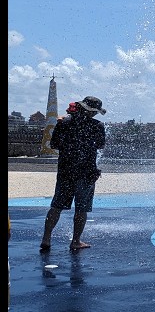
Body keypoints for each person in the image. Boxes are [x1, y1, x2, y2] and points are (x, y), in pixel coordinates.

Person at [40, 96, 107, 254]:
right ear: (92, 112)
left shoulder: (63, 122)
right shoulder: (97, 126)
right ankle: (76, 241)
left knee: (56, 206)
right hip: (86, 172)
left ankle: (46, 239)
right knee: (81, 209)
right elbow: (101, 145)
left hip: (66, 171)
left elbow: (54, 144)